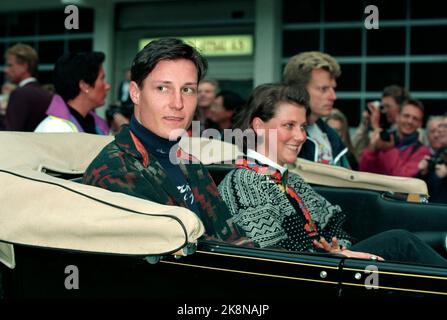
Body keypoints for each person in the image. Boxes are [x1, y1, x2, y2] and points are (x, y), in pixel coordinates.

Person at [218, 83, 447, 267]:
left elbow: (332, 221)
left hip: (322, 264)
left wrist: (339, 248)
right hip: (304, 275)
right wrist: (335, 256)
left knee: (407, 240)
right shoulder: (245, 180)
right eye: (289, 125)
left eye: (302, 126)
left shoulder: (291, 179)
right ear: (259, 126)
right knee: (401, 241)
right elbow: (273, 253)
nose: (300, 136)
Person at [83, 38, 248, 244]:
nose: (177, 103)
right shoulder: (116, 172)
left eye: (187, 90)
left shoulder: (189, 162)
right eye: (162, 88)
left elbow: (231, 233)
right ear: (135, 93)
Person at [283, 51, 351, 168]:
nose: (333, 96)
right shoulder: (279, 136)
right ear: (298, 90)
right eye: (324, 89)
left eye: (332, 88)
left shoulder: (331, 135)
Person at [34, 52, 110, 134]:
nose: (108, 86)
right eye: (102, 79)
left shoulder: (98, 125)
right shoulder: (53, 129)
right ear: (84, 85)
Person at [359, 99, 430, 177]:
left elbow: (401, 177)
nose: (410, 121)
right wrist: (372, 150)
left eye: (415, 119)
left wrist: (388, 148)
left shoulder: (422, 151)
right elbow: (364, 171)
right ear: (398, 117)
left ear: (420, 124)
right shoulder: (384, 139)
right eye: (406, 116)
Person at [352, 85, 411, 160]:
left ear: (401, 107)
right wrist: (364, 125)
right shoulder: (385, 130)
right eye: (383, 107)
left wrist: (375, 127)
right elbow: (355, 153)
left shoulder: (411, 133)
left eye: (388, 106)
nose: (384, 111)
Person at [3, 43, 52, 131]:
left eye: (10, 65)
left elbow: (9, 133)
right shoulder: (48, 94)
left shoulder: (19, 94)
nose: (6, 70)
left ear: (24, 66)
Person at [418, 116, 447, 204]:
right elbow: (420, 197)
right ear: (427, 135)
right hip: (429, 210)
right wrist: (422, 174)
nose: (437, 134)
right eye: (433, 131)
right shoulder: (425, 154)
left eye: (440, 130)